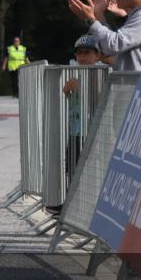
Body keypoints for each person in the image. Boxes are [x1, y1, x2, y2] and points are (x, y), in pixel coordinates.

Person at [45, 35, 101, 216]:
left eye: (87, 53)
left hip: (91, 131)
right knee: (72, 167)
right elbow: (74, 100)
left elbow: (96, 101)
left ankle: (84, 207)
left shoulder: (99, 73)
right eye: (79, 53)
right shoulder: (77, 73)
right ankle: (70, 203)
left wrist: (78, 88)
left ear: (97, 55)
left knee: (87, 169)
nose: (82, 57)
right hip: (76, 130)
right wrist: (69, 91)